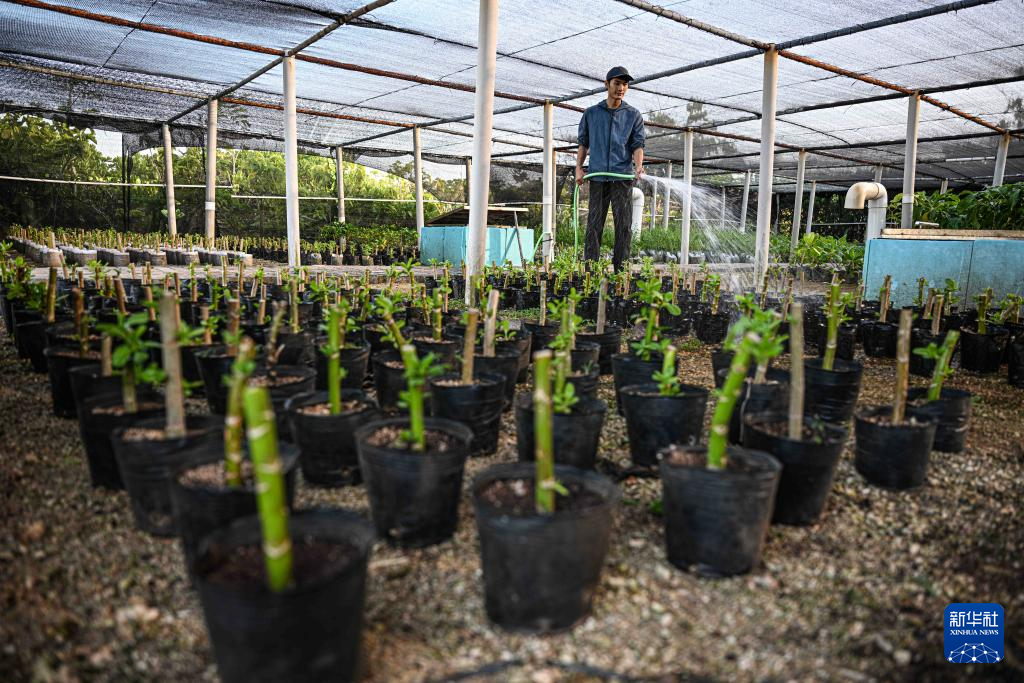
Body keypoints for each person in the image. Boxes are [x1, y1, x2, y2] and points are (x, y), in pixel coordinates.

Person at [576, 66, 646, 271]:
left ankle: (620, 273)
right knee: (593, 226)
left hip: (621, 178)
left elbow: (638, 145)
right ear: (607, 84)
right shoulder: (591, 114)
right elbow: (583, 144)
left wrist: (638, 167)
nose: (621, 88)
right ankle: (590, 272)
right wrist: (579, 168)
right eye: (617, 83)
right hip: (598, 178)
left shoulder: (633, 115)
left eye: (625, 84)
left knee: (623, 227)